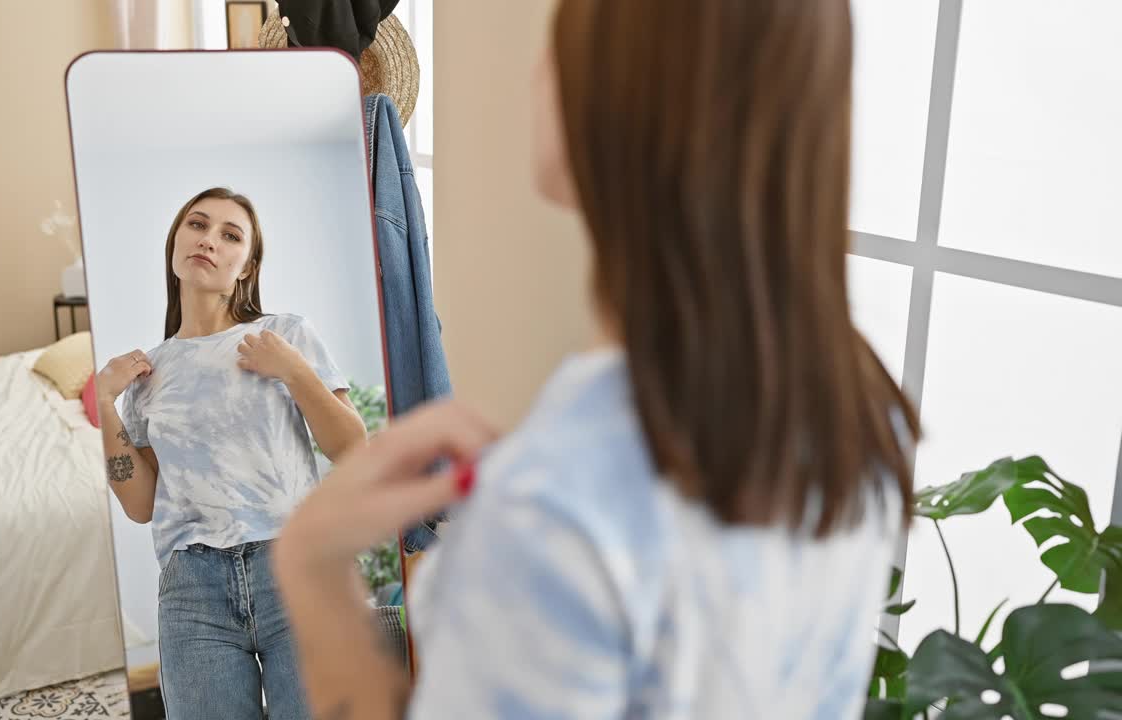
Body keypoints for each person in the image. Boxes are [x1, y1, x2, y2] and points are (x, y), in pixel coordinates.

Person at [270, 0, 921, 718]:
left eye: (560, 43)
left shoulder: (547, 523)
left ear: (611, 107)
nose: (537, 70)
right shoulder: (855, 423)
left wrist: (316, 579)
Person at [95, 187, 368, 720]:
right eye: (197, 225)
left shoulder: (283, 334)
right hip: (194, 593)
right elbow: (140, 504)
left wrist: (292, 369)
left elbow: (351, 446)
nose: (209, 241)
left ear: (247, 265)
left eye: (230, 235)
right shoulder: (147, 375)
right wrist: (105, 401)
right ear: (175, 242)